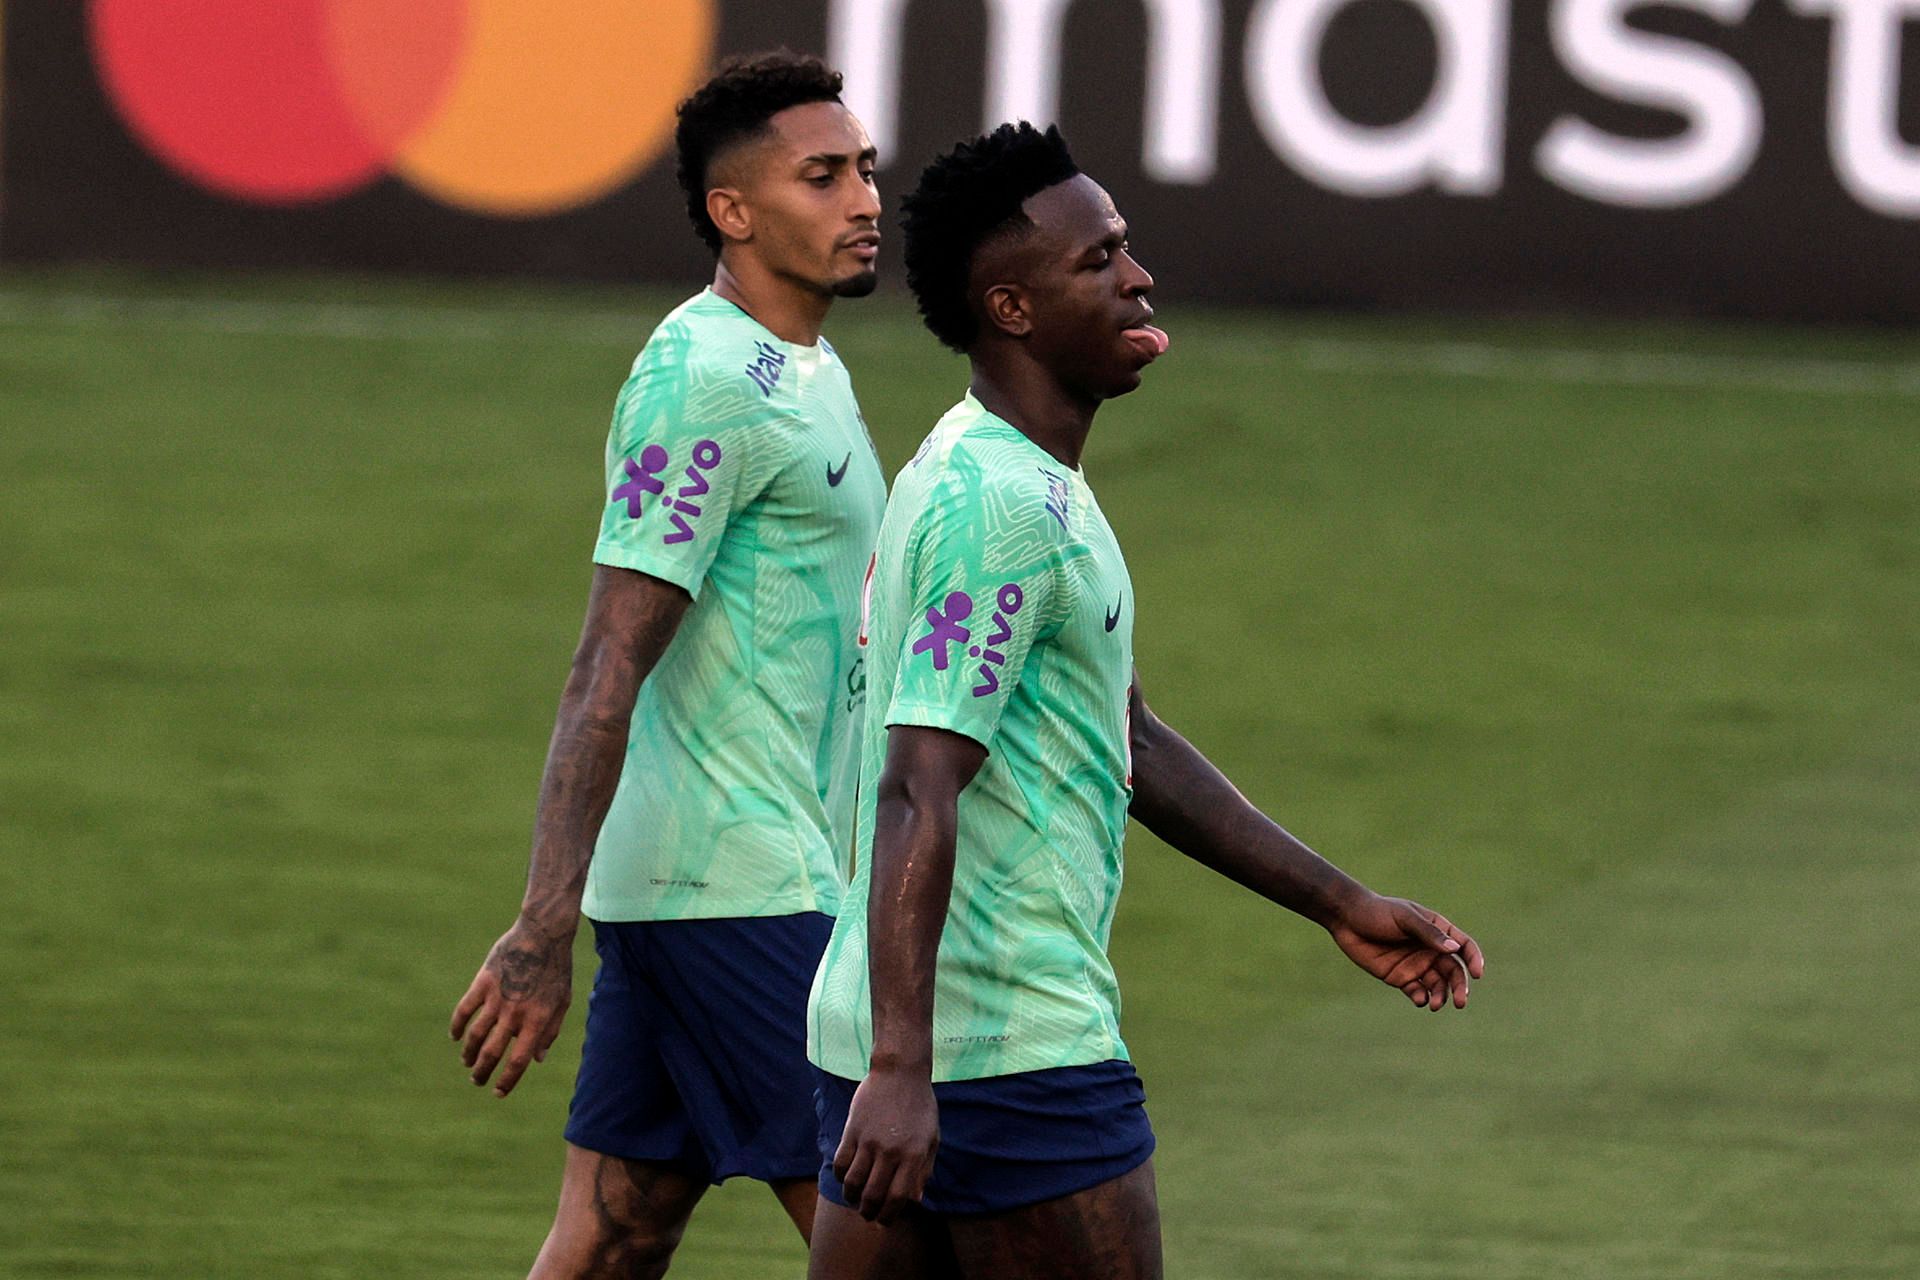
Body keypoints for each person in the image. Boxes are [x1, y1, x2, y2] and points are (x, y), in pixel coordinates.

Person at [803, 122, 1488, 1280]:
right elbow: (920, 781)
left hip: (894, 1036)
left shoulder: (984, 467)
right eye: (1099, 258)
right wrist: (907, 1068)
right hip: (1003, 1050)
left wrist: (1338, 901)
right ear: (1012, 309)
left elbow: (1123, 735)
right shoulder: (1004, 508)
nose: (1138, 275)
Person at [447, 52, 887, 1279]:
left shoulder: (803, 367)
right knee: (896, 1246)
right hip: (739, 885)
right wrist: (541, 925)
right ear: (732, 211)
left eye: (865, 170)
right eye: (824, 176)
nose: (863, 199)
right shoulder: (700, 381)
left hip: (700, 882)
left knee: (612, 1234)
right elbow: (607, 659)